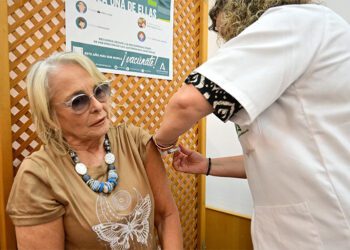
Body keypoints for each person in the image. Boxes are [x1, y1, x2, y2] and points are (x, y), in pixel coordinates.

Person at [153, 0, 350, 249]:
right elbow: (272, 156)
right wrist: (207, 165)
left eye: (225, 28)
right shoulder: (301, 45)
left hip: (322, 227)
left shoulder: (296, 21)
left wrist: (161, 143)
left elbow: (185, 103)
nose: (227, 37)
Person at [6, 52, 183, 250]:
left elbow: (166, 214)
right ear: (51, 116)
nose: (98, 106)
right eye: (79, 101)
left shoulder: (134, 141)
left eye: (100, 91)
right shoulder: (38, 176)